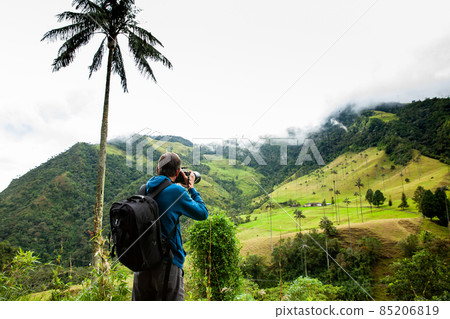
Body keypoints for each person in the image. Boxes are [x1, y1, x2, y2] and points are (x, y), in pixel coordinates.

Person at [132, 152, 209, 301]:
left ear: (157, 170)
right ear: (177, 172)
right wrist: (191, 188)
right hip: (167, 263)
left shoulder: (144, 189)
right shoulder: (177, 191)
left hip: (142, 263)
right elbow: (203, 213)